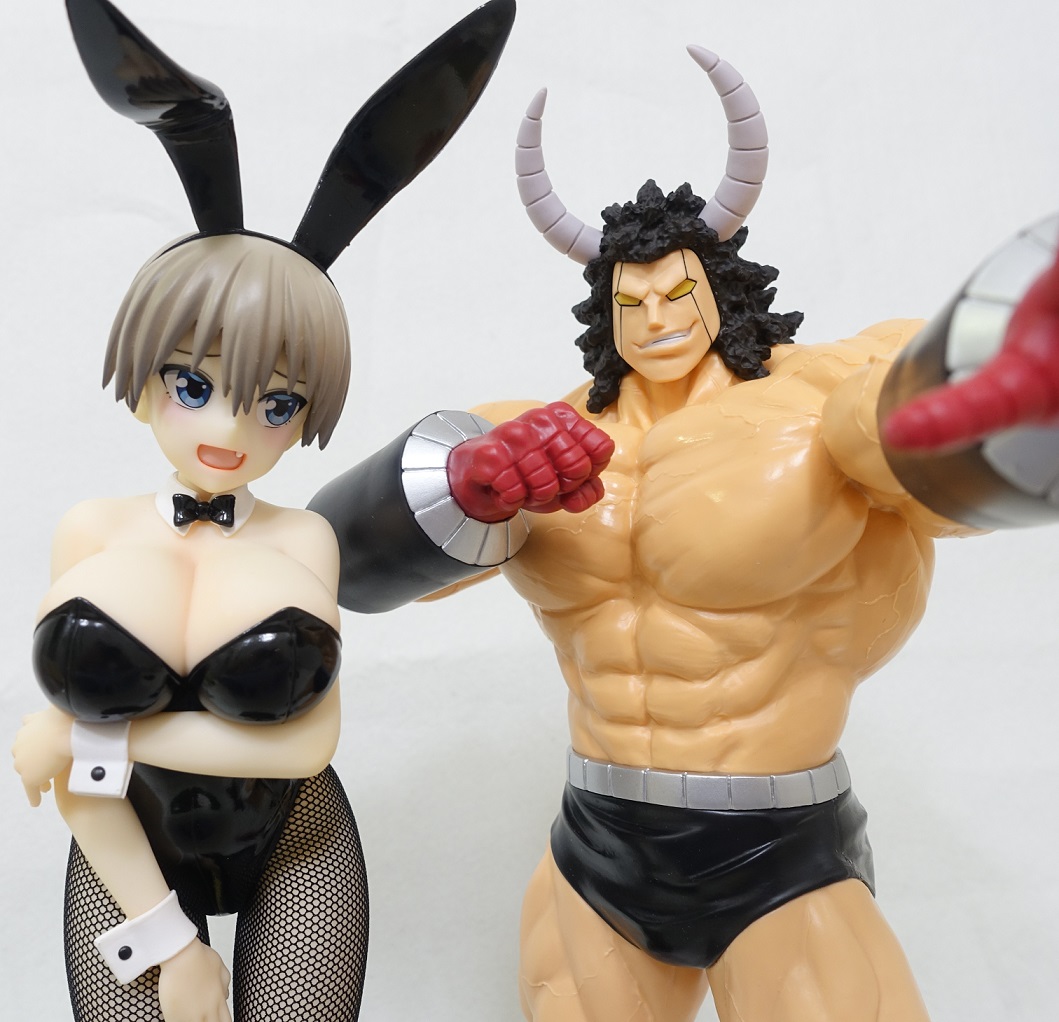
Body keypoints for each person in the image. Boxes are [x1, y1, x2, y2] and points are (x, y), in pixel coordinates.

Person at [308, 45, 1059, 1022]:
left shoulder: (825, 396)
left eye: (675, 293)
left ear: (719, 285)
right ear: (603, 311)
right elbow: (330, 564)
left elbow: (948, 455)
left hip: (781, 849)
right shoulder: (540, 434)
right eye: (631, 302)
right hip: (598, 844)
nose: (655, 318)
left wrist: (987, 388)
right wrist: (467, 483)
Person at [11, 1, 517, 1020]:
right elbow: (81, 790)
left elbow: (302, 747)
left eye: (277, 403)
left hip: (299, 838)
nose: (230, 428)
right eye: (194, 385)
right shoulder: (92, 531)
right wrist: (168, 941)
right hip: (126, 847)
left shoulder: (305, 537)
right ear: (143, 377)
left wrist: (93, 739)